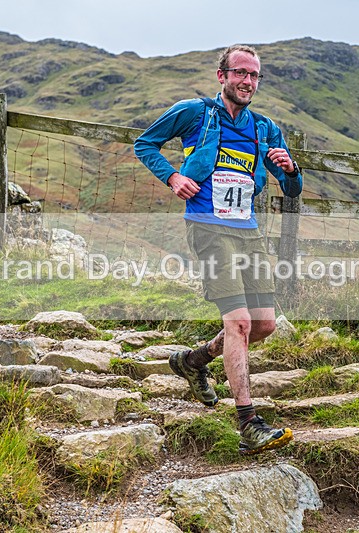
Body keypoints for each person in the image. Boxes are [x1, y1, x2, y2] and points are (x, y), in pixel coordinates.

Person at [134, 44, 302, 455]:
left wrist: (291, 170)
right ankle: (248, 422)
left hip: (249, 231)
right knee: (239, 322)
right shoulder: (195, 113)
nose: (247, 82)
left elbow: (293, 190)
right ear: (221, 75)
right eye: (240, 73)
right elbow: (145, 144)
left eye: (254, 76)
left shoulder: (264, 129)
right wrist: (173, 177)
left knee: (264, 326)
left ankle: (193, 361)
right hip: (209, 228)